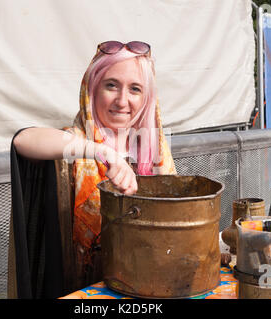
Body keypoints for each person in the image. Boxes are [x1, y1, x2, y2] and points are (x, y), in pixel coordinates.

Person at [12, 41, 176, 291]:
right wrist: (100, 151)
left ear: (147, 98)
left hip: (147, 285)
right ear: (92, 89)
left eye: (135, 89)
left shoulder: (156, 152)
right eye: (111, 85)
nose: (122, 101)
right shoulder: (73, 143)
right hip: (85, 288)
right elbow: (22, 140)